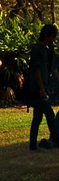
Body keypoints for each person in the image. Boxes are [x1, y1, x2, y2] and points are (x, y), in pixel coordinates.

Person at [28, 23, 58, 151]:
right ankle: (56, 139)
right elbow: (36, 70)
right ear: (45, 36)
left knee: (38, 117)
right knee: (50, 115)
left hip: (41, 87)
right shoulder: (37, 49)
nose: (53, 40)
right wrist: (41, 88)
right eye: (52, 37)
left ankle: (33, 145)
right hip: (37, 88)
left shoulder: (45, 50)